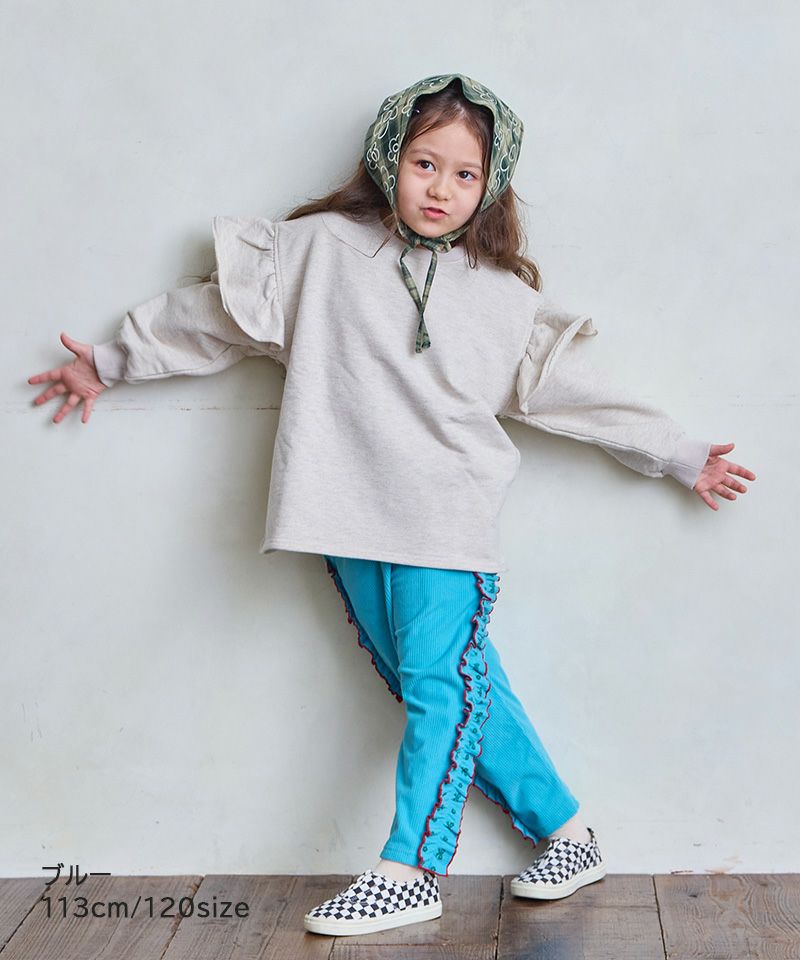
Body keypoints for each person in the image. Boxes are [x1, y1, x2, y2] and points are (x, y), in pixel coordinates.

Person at [27, 72, 756, 937]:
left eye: (465, 174)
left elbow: (575, 393)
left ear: (491, 186)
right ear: (388, 159)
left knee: (443, 688)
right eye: (425, 164)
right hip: (344, 512)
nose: (442, 189)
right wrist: (110, 361)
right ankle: (569, 835)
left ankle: (411, 868)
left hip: (445, 516)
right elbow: (212, 318)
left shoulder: (500, 296)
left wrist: (678, 452)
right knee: (449, 684)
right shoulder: (319, 251)